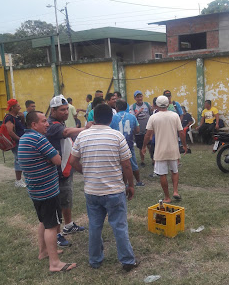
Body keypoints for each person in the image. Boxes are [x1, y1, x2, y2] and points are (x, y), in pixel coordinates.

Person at [70, 104, 139, 272]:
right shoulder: (117, 136)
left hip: (92, 191)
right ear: (111, 119)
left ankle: (95, 260)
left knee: (94, 226)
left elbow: (72, 162)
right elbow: (127, 166)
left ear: (93, 118)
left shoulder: (82, 136)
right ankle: (127, 261)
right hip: (114, 190)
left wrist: (85, 172)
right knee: (119, 226)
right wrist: (130, 185)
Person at [18, 111, 76, 273]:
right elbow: (57, 160)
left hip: (36, 190)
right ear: (34, 125)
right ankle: (55, 263)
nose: (47, 124)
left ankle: (43, 251)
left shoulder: (24, 138)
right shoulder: (38, 139)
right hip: (47, 191)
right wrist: (55, 155)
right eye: (43, 121)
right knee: (52, 226)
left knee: (44, 221)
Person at [46, 95, 88, 247]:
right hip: (57, 172)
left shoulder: (60, 122)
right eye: (62, 110)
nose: (65, 112)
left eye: (66, 109)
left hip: (65, 170)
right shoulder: (52, 125)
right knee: (57, 203)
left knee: (66, 199)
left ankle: (68, 225)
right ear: (53, 110)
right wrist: (86, 129)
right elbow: (66, 133)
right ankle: (56, 234)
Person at [142, 95, 187, 202]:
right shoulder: (175, 116)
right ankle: (175, 191)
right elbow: (181, 132)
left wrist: (144, 146)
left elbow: (148, 135)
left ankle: (167, 197)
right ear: (168, 104)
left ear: (156, 105)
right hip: (173, 149)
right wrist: (184, 145)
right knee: (174, 171)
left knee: (162, 174)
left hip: (160, 150)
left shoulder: (153, 117)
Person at [110, 99, 144, 186]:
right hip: (129, 143)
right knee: (133, 163)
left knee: (120, 165)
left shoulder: (113, 118)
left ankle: (124, 183)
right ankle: (138, 181)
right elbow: (137, 130)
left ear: (116, 107)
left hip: (116, 144)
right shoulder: (132, 117)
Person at [4, 98, 26, 187]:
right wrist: (19, 139)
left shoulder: (16, 117)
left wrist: (22, 118)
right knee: (18, 160)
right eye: (18, 106)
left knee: (20, 159)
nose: (20, 108)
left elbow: (22, 126)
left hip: (19, 141)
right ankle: (18, 180)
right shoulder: (9, 118)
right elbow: (10, 131)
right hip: (16, 143)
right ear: (13, 108)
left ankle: (20, 179)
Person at [129, 90, 152, 166]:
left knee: (149, 145)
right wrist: (138, 112)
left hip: (147, 130)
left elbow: (151, 115)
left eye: (140, 96)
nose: (139, 98)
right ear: (135, 98)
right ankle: (142, 161)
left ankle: (153, 160)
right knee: (140, 146)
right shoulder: (132, 107)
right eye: (138, 97)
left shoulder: (147, 105)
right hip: (139, 130)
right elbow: (132, 117)